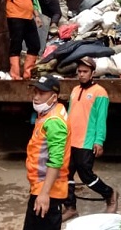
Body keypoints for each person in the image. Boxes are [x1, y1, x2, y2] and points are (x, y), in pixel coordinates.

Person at [62, 57, 118, 222]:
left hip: (86, 141)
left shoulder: (100, 92)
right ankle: (70, 208)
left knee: (86, 175)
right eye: (79, 71)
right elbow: (70, 114)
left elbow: (101, 119)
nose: (81, 74)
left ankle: (110, 194)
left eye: (85, 72)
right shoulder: (74, 90)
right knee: (65, 174)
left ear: (93, 73)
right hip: (71, 140)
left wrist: (99, 141)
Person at [24, 75, 70, 230]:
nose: (36, 97)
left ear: (54, 97)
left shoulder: (54, 121)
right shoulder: (52, 112)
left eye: (41, 93)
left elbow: (56, 161)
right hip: (43, 187)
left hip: (47, 190)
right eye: (35, 92)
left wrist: (44, 194)